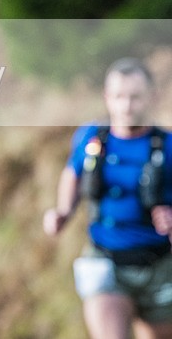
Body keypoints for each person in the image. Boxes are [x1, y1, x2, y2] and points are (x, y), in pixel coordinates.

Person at [44, 58, 172, 339]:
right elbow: (72, 175)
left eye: (135, 97)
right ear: (107, 98)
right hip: (106, 261)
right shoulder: (92, 138)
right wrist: (63, 211)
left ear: (153, 97)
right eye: (119, 97)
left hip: (161, 265)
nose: (127, 106)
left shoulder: (168, 145)